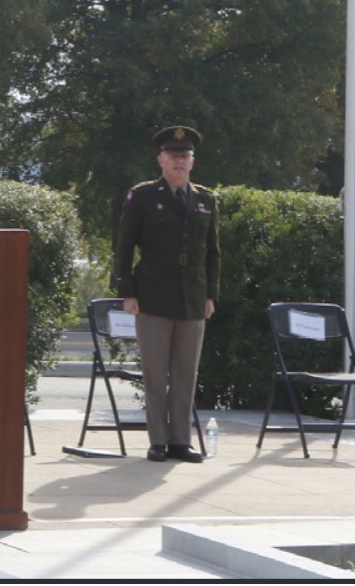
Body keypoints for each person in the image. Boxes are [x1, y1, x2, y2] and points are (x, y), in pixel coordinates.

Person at [113, 125, 220, 464]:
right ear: (160, 160)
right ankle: (157, 440)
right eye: (173, 156)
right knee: (156, 373)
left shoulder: (205, 198)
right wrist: (127, 292)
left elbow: (213, 252)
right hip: (153, 294)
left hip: (192, 295)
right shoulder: (143, 196)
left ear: (193, 161)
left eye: (185, 156)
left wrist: (210, 295)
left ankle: (180, 441)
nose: (179, 162)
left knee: (186, 372)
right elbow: (125, 245)